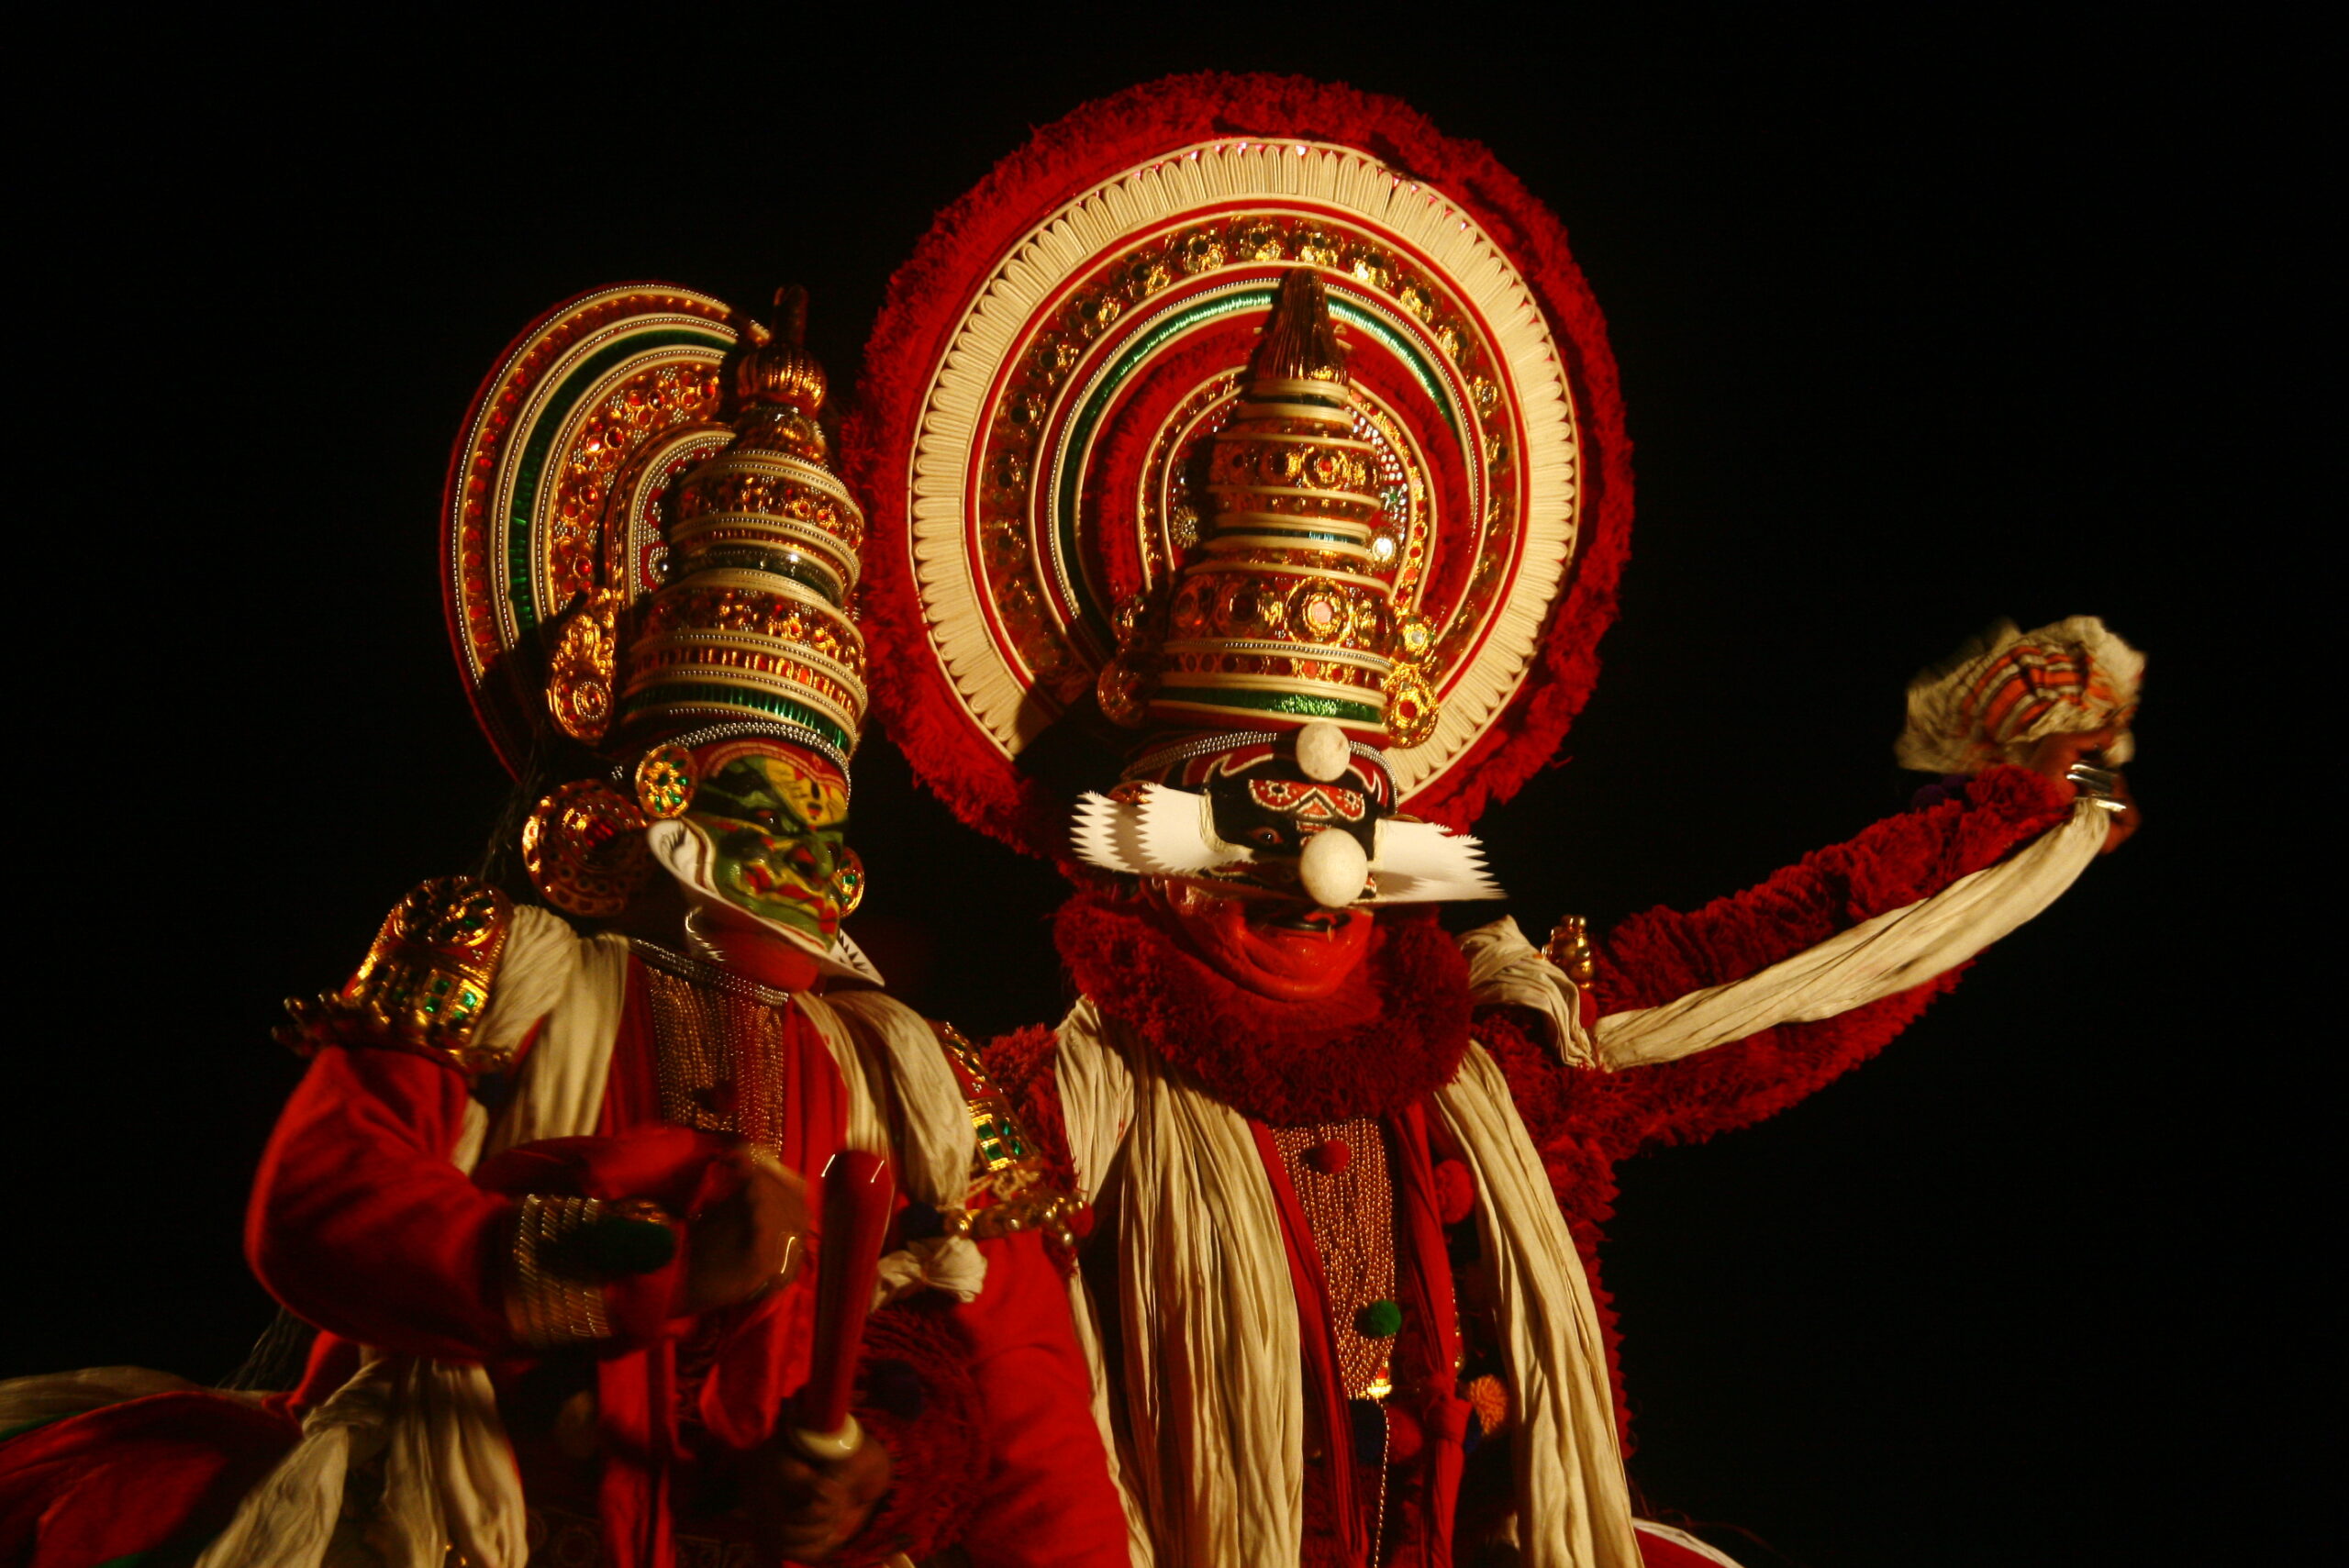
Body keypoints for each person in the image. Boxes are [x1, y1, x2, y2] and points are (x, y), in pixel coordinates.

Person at [841, 76, 2141, 1567]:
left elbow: (1775, 980)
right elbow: (943, 1369)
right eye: (1257, 811)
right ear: (1163, 834)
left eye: (1348, 809)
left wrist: (2018, 823)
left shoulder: (1506, 1056)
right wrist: (873, 1458)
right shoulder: (1043, 1112)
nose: (1315, 857)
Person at [0, 287, 1127, 1568]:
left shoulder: (918, 1075)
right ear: (644, 797)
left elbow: (1038, 1433)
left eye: (815, 813)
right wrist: (616, 1254)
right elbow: (324, 1200)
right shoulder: (500, 956)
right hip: (482, 1520)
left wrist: (890, 1462)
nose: (790, 854)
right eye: (748, 798)